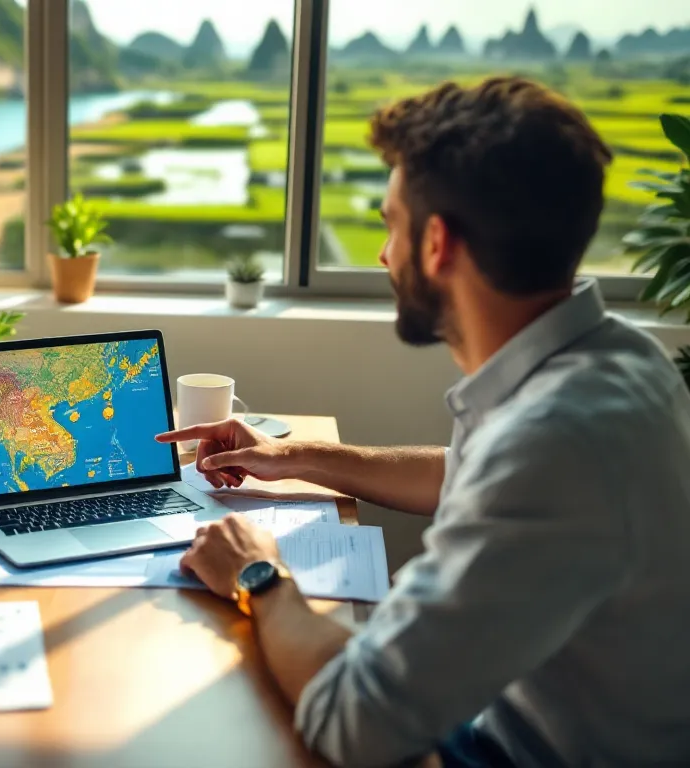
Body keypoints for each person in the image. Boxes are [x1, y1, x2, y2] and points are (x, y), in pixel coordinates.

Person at [158, 77, 690, 767]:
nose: (383, 255)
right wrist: (294, 458)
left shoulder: (560, 444)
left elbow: (355, 720)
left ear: (437, 243)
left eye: (389, 224)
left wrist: (259, 575)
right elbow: (468, 472)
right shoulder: (614, 358)